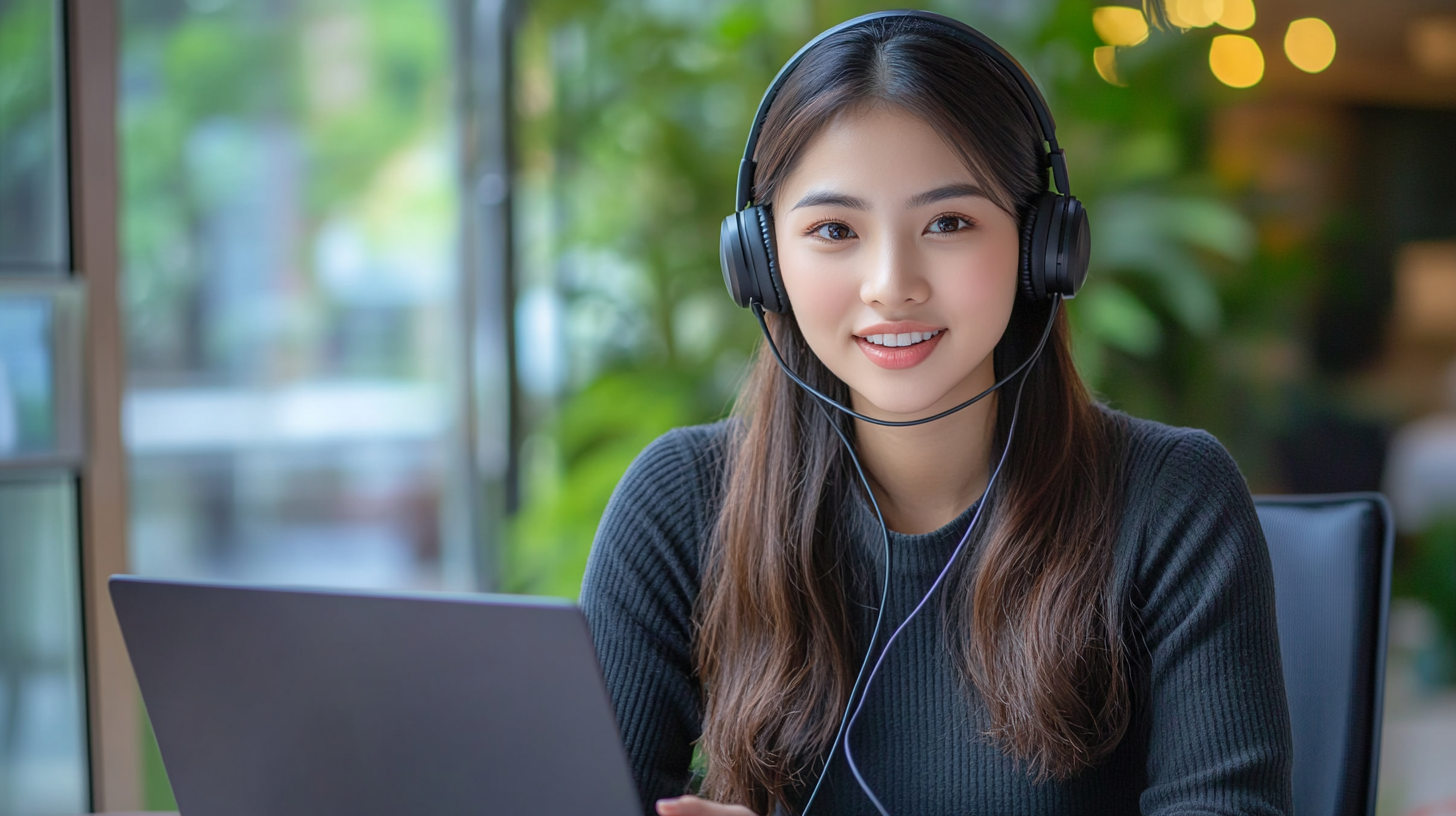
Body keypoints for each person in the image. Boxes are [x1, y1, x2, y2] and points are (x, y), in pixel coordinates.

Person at [580, 11, 1293, 816]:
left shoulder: (1170, 500)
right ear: (762, 262)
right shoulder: (682, 504)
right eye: (833, 229)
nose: (892, 283)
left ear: (1042, 248)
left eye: (948, 223)